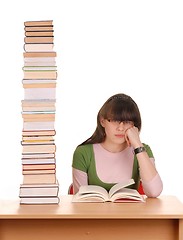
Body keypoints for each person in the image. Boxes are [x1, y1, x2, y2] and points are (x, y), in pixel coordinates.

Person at [72, 93, 163, 197]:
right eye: (114, 120)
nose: (120, 128)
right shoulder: (83, 153)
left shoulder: (143, 150)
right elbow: (80, 200)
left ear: (134, 125)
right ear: (102, 121)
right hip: (94, 213)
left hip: (131, 213)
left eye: (127, 121)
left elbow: (154, 192)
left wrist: (137, 145)